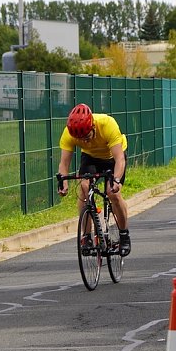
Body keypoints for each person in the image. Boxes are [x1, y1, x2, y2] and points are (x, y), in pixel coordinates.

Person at [57, 103, 131, 256]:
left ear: (93, 127)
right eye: (80, 139)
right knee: (84, 188)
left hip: (112, 157)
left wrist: (116, 180)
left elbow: (120, 159)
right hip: (91, 157)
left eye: (87, 137)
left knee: (113, 193)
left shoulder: (107, 124)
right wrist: (63, 182)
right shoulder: (68, 133)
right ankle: (87, 236)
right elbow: (64, 163)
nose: (84, 141)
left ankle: (124, 235)